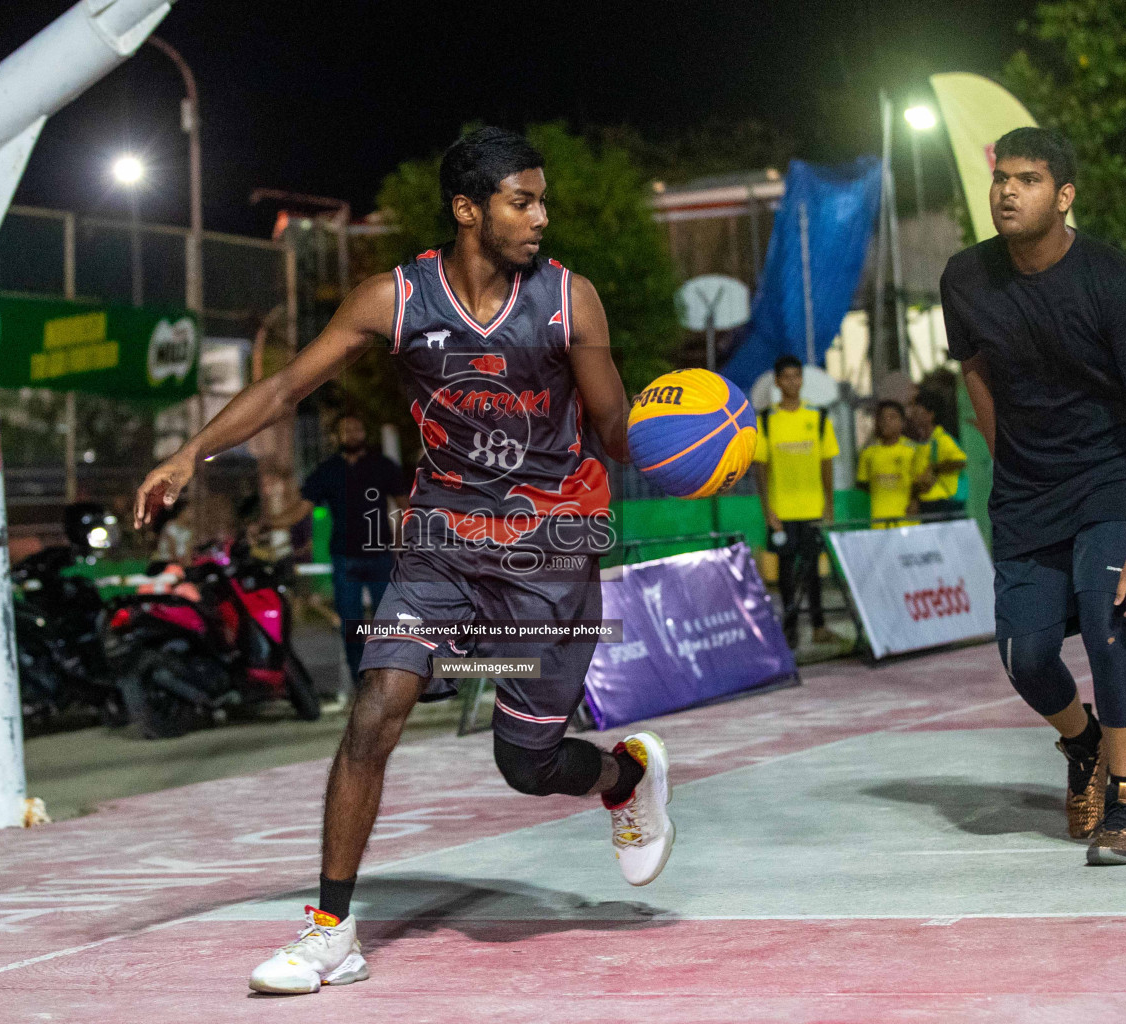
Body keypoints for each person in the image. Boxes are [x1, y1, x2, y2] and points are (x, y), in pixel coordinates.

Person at [133, 126, 673, 994]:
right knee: (376, 705)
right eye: (521, 201)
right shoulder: (394, 298)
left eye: (542, 200)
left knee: (526, 765)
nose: (541, 217)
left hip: (551, 549)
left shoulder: (574, 302)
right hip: (441, 539)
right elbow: (283, 389)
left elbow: (612, 432)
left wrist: (681, 432)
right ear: (469, 210)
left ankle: (624, 775)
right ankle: (331, 931)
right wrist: (186, 454)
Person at [940, 126, 1126, 865]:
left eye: (1029, 179)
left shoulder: (1109, 278)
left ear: (1064, 195)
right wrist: (1006, 453)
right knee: (1025, 653)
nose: (1007, 191)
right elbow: (973, 368)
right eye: (1000, 178)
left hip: (1109, 476)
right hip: (1025, 489)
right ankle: (1084, 746)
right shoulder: (965, 277)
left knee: (1110, 626)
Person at [267, 412, 408, 690]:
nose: (351, 435)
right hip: (344, 556)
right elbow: (301, 509)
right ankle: (362, 681)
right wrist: (268, 523)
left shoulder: (382, 466)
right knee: (351, 624)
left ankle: (391, 677)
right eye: (345, 430)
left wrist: (402, 544)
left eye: (356, 429)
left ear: (364, 433)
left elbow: (405, 506)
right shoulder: (327, 470)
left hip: (380, 554)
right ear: (336, 437)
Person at [752, 354, 842, 648]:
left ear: (802, 379)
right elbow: (760, 469)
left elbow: (826, 464)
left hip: (813, 509)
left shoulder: (817, 418)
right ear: (778, 382)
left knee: (814, 571)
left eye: (797, 376)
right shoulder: (765, 420)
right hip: (782, 512)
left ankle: (819, 627)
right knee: (786, 573)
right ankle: (790, 630)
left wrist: (828, 506)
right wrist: (768, 512)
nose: (793, 382)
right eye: (787, 377)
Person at [856, 399, 919, 527]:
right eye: (882, 418)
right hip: (877, 520)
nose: (886, 422)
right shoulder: (869, 452)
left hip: (906, 520)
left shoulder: (913, 450)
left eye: (892, 417)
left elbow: (921, 482)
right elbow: (862, 483)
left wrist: (914, 500)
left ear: (902, 422)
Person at [908, 390, 967, 516]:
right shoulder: (920, 444)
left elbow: (960, 462)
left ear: (931, 415)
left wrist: (934, 468)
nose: (913, 416)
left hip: (944, 504)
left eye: (918, 412)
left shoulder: (942, 440)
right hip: (927, 504)